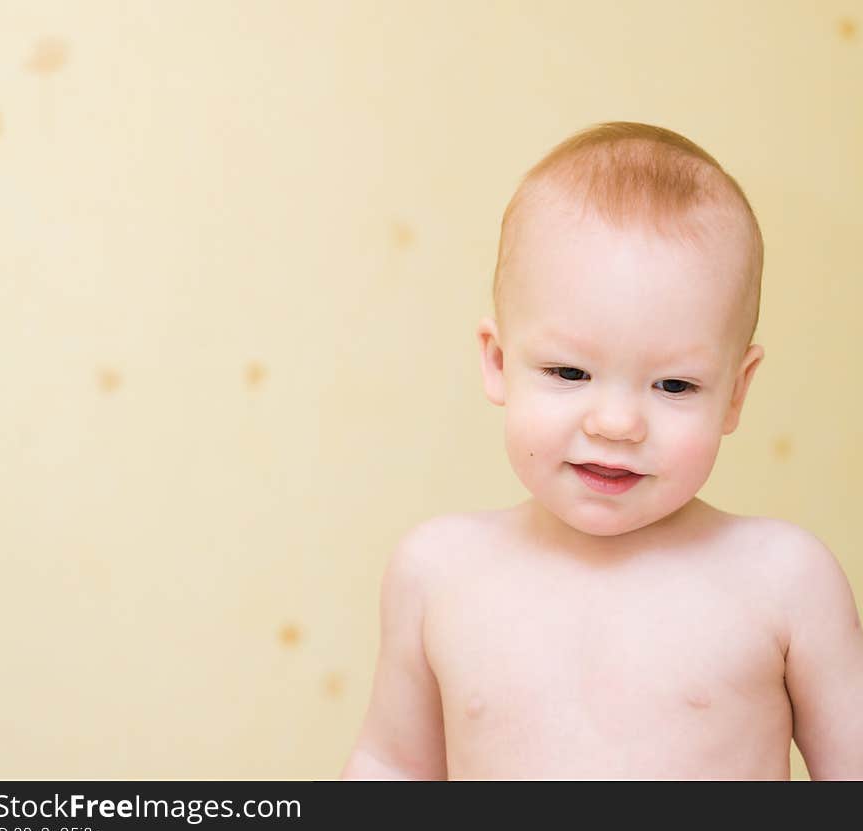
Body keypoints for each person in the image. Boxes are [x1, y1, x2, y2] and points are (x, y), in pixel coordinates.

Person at [340, 121, 863, 779]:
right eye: (569, 372)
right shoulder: (437, 572)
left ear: (735, 391)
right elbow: (391, 765)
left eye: (674, 383)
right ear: (499, 361)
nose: (617, 423)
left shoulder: (784, 580)